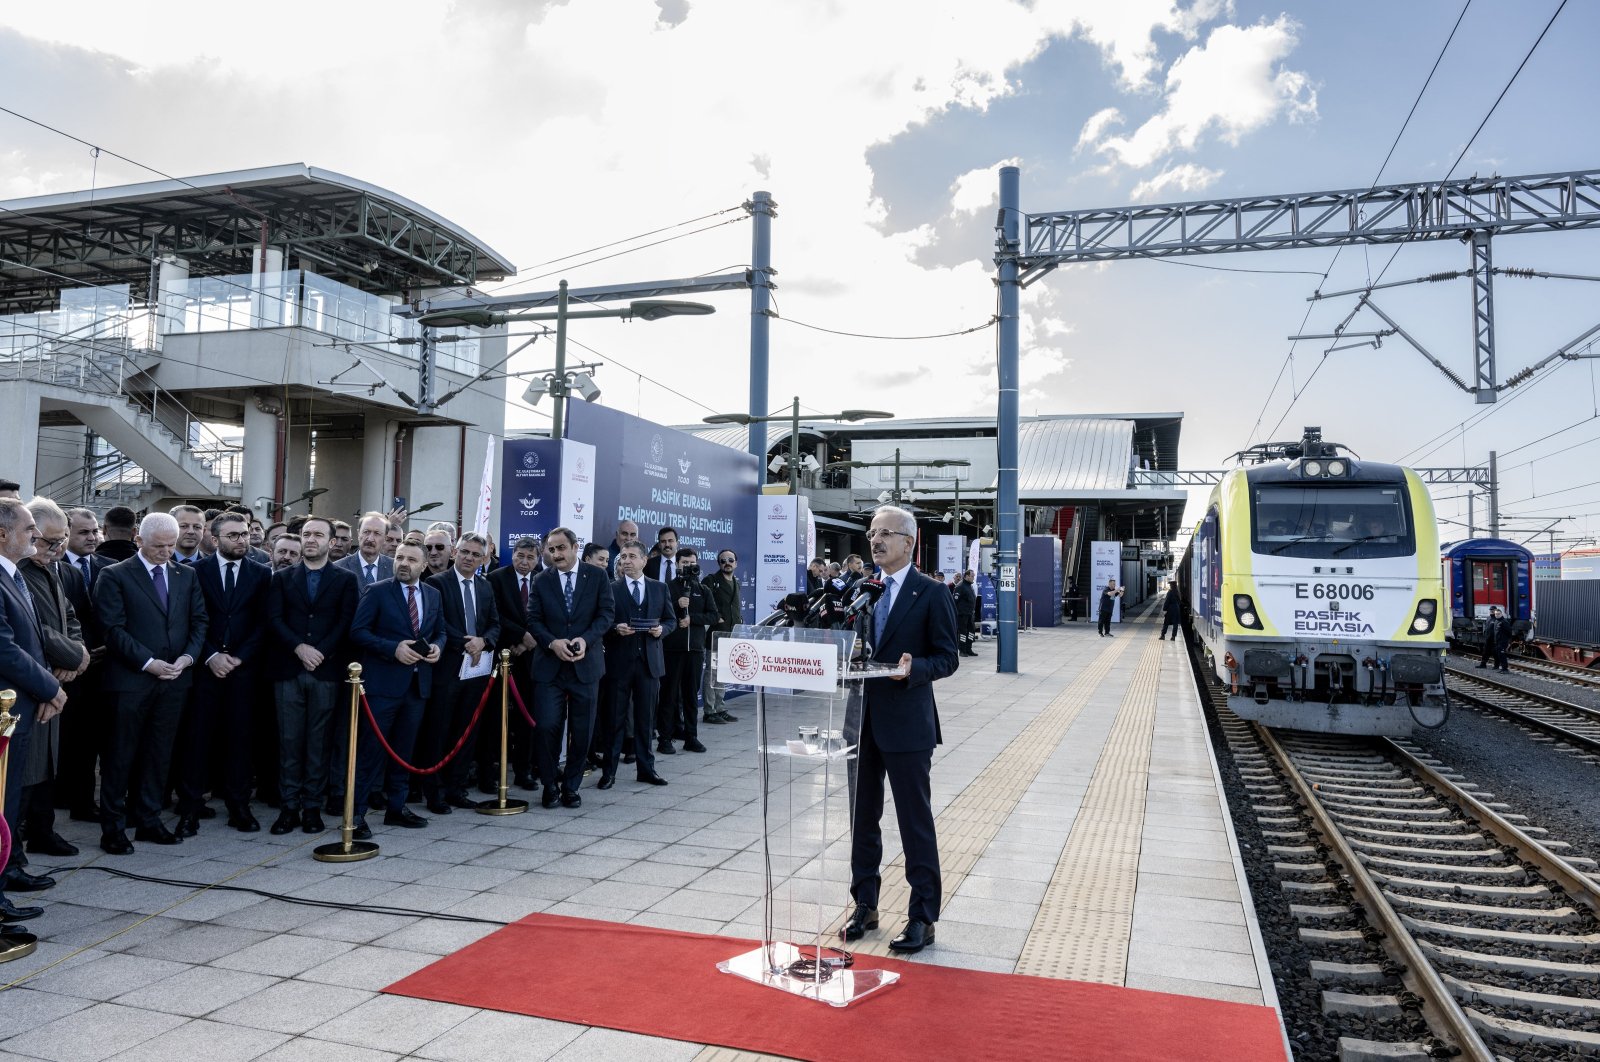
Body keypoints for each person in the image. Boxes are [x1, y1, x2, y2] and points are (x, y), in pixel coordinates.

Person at [843, 505, 959, 955]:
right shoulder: (862, 590)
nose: (875, 541)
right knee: (861, 819)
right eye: (872, 533)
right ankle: (864, 905)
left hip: (907, 725)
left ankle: (922, 917)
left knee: (915, 822)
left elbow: (947, 657)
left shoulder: (931, 593)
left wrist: (913, 669)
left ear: (908, 542)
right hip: (860, 720)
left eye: (885, 533)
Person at [94, 512, 208, 853]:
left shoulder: (186, 575)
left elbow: (199, 621)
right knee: (120, 756)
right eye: (159, 546)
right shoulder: (114, 575)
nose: (166, 552)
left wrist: (187, 659)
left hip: (174, 681)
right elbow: (112, 629)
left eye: (171, 546)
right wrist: (149, 663)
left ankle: (149, 820)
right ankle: (113, 827)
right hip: (131, 681)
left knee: (159, 754)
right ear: (138, 539)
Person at [179, 511, 271, 835]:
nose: (241, 540)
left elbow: (263, 622)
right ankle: (189, 809)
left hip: (244, 673)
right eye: (233, 535)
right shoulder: (194, 572)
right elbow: (189, 621)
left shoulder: (262, 574)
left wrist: (239, 658)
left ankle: (239, 807)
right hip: (205, 671)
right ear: (215, 539)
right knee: (197, 741)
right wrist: (212, 656)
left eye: (244, 534)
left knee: (241, 741)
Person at [265, 517, 358, 835]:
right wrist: (299, 648)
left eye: (318, 535)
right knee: (289, 741)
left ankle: (312, 808)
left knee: (319, 743)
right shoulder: (282, 577)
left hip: (327, 671)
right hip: (289, 669)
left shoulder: (345, 579)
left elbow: (346, 621)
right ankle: (288, 807)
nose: (311, 539)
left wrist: (320, 652)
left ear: (332, 542)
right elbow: (274, 618)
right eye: (306, 534)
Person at [347, 542, 443, 837]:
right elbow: (357, 632)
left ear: (424, 565)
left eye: (411, 559)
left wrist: (438, 647)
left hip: (416, 687)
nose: (403, 563)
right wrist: (393, 649)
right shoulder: (377, 591)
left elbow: (440, 630)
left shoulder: (432, 594)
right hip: (381, 687)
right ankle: (356, 815)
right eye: (399, 557)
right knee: (370, 752)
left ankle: (397, 807)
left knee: (404, 750)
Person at [0, 498, 65, 921]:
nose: (35, 537)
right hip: (5, 711)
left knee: (10, 803)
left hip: (21, 707)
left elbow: (32, 642)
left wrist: (43, 689)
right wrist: (51, 686)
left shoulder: (12, 576)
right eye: (29, 530)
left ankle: (4, 876)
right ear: (2, 534)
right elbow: (3, 648)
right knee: (0, 807)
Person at [15, 498, 87, 873]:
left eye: (60, 541)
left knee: (47, 764)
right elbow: (31, 630)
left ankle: (42, 830)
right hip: (32, 682)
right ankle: (15, 851)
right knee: (23, 771)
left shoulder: (52, 568)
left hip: (54, 678)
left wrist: (77, 653)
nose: (55, 549)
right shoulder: (18, 570)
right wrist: (72, 658)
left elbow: (68, 617)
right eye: (48, 540)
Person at [525, 527, 614, 808]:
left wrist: (585, 640)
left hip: (585, 666)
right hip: (550, 667)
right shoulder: (541, 580)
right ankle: (550, 784)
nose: (556, 554)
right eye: (551, 550)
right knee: (547, 726)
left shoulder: (598, 576)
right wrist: (552, 643)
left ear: (576, 547)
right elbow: (534, 620)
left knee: (582, 729)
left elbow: (606, 614)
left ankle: (572, 786)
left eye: (561, 548)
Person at [420, 532, 500, 813]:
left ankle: (457, 787)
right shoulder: (436, 583)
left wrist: (484, 640)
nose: (469, 558)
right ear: (455, 552)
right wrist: (468, 642)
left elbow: (494, 623)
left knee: (467, 731)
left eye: (476, 554)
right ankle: (434, 792)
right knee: (439, 731)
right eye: (465, 552)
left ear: (483, 558)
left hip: (476, 671)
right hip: (446, 670)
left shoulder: (485, 586)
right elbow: (436, 622)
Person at [600, 544, 675, 788]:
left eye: (633, 556)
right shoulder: (610, 589)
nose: (627, 561)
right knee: (614, 719)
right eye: (623, 557)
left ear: (644, 560)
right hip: (618, 664)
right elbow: (601, 623)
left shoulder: (659, 588)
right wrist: (614, 629)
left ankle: (646, 769)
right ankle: (608, 772)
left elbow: (671, 620)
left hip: (649, 664)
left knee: (645, 720)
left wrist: (662, 630)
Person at [487, 536, 543, 789]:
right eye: (520, 556)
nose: (525, 562)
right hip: (502, 656)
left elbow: (546, 615)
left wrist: (530, 640)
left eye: (530, 557)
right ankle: (489, 771)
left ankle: (524, 771)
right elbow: (494, 614)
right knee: (495, 716)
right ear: (513, 554)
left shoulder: (543, 579)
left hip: (532, 659)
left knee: (526, 716)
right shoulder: (496, 578)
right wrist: (520, 636)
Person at [661, 547, 714, 754]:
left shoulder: (703, 589)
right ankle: (665, 738)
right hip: (672, 650)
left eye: (692, 563)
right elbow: (659, 614)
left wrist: (693, 619)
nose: (688, 567)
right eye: (684, 563)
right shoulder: (665, 588)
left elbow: (713, 615)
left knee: (691, 695)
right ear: (676, 564)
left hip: (695, 651)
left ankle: (691, 737)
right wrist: (676, 605)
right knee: (669, 695)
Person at [700, 549, 741, 724]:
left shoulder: (736, 583)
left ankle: (720, 707)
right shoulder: (711, 580)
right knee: (712, 672)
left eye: (730, 560)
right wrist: (715, 616)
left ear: (736, 563)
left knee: (722, 672)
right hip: (715, 633)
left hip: (730, 633)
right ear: (718, 564)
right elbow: (701, 601)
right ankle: (710, 711)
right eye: (723, 560)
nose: (727, 563)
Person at [335, 511, 396, 593]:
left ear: (385, 538)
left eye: (377, 533)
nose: (370, 538)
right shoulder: (338, 568)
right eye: (366, 532)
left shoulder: (394, 568)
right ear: (358, 533)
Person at [952, 568, 977, 656]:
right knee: (963, 632)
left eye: (973, 576)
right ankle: (962, 650)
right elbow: (954, 601)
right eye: (972, 576)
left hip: (970, 614)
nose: (973, 578)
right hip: (962, 614)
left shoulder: (969, 586)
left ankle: (968, 648)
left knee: (971, 632)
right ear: (966, 576)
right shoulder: (960, 586)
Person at [1479, 606, 1511, 673]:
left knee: (1499, 654)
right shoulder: (1491, 619)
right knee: (1486, 652)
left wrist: (1508, 642)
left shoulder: (1502, 621)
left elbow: (1508, 632)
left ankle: (1501, 667)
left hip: (1498, 641)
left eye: (1498, 613)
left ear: (1501, 614)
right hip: (1490, 639)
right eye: (1491, 610)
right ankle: (1483, 664)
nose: (1492, 611)